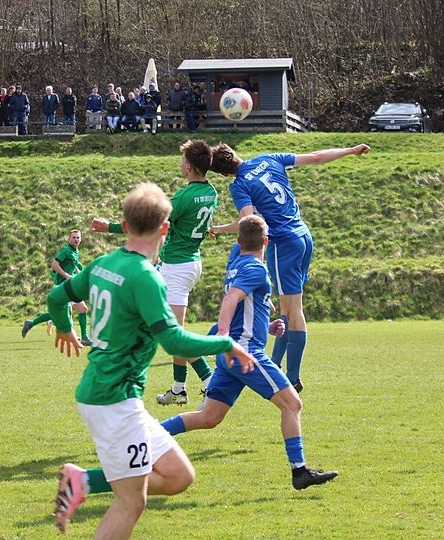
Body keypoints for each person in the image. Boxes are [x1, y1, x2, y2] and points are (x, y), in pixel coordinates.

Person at [47, 182, 256, 537]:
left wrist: (65, 328)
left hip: (113, 396)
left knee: (178, 476)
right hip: (113, 400)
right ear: (165, 228)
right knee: (131, 502)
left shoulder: (102, 264)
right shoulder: (146, 277)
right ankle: (81, 482)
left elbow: (56, 296)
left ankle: (81, 480)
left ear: (126, 225)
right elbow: (172, 339)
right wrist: (224, 343)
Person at [159, 215, 338, 490]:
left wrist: (267, 326)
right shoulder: (255, 268)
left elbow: (245, 305)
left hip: (231, 353)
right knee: (292, 404)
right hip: (244, 352)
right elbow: (232, 299)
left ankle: (149, 435)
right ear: (266, 241)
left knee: (209, 417)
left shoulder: (237, 264)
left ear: (238, 241)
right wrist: (222, 334)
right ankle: (299, 471)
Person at [209, 142, 371, 392]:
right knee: (286, 309)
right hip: (303, 236)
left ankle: (292, 378)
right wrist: (350, 151)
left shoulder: (239, 185)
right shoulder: (269, 158)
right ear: (234, 153)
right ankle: (275, 365)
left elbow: (250, 222)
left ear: (223, 173)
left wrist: (219, 229)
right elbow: (316, 157)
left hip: (283, 243)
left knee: (294, 312)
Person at [91, 140, 219, 406]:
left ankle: (212, 384)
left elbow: (149, 224)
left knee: (174, 335)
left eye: (183, 159)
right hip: (188, 263)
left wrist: (109, 227)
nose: (181, 163)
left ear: (189, 167)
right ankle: (179, 389)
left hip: (177, 267)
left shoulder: (184, 197)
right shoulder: (212, 192)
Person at [21, 230, 90, 345]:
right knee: (63, 313)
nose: (76, 239)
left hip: (69, 285)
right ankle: (31, 323)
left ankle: (84, 337)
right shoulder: (66, 250)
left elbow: (73, 265)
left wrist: (78, 272)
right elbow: (54, 265)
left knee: (81, 309)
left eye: (78, 237)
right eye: (73, 237)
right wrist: (66, 275)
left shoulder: (75, 251)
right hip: (61, 286)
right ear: (69, 239)